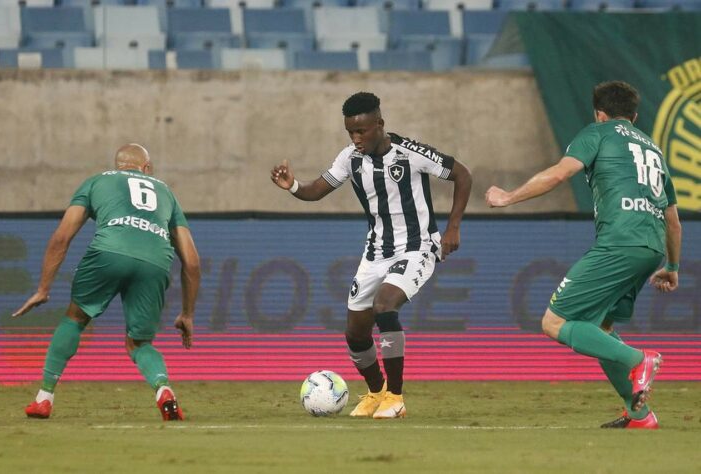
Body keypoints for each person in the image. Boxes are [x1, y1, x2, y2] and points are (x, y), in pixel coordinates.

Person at [485, 81, 682, 429]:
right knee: (601, 325)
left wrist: (508, 197)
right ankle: (638, 413)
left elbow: (561, 173)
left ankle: (640, 360)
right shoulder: (653, 149)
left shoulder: (599, 133)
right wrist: (672, 265)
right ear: (634, 116)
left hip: (620, 242)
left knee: (553, 322)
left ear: (600, 114)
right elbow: (672, 219)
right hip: (651, 248)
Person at [271, 92, 472, 418]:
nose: (356, 138)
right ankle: (376, 392)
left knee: (384, 306)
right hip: (376, 252)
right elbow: (316, 191)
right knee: (356, 331)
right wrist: (293, 186)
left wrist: (453, 228)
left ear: (379, 124)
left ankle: (396, 396)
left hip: (418, 247)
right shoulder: (350, 158)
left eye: (362, 131)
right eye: (350, 131)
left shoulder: (411, 153)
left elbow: (463, 174)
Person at [13, 144, 200, 421]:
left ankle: (44, 398)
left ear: (118, 165)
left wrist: (44, 288)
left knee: (74, 319)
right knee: (139, 344)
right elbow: (192, 261)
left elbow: (61, 237)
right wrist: (187, 313)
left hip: (108, 252)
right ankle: (164, 390)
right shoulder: (166, 192)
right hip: (155, 261)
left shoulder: (96, 182)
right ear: (146, 168)